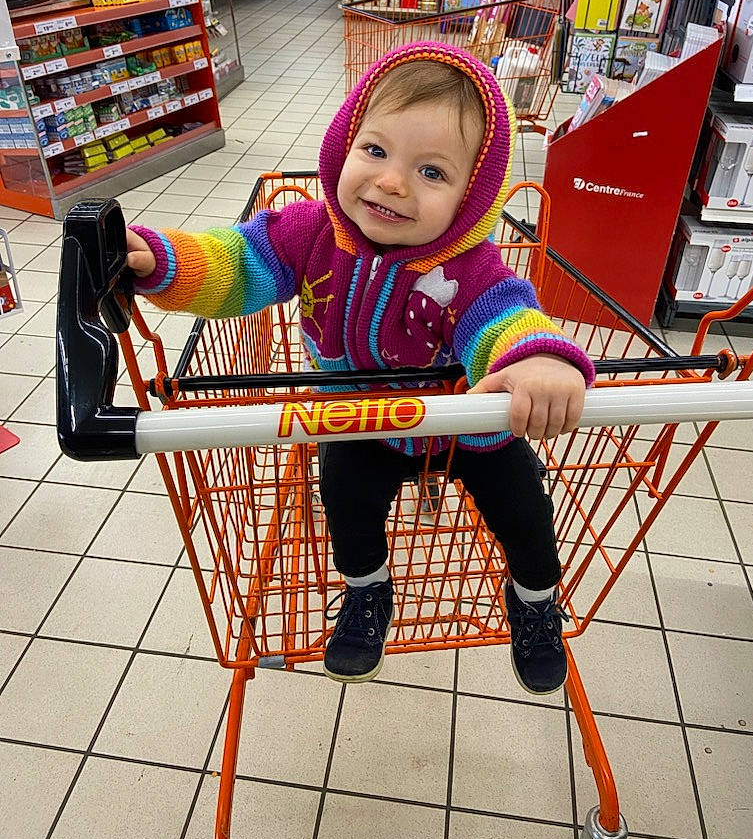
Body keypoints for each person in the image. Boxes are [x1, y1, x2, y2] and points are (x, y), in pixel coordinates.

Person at [124, 42, 594, 696]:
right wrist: (160, 258)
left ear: (471, 198)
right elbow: (236, 265)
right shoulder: (308, 233)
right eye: (375, 151)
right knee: (347, 502)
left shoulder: (470, 268)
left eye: (432, 172)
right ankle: (368, 593)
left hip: (471, 427)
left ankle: (536, 600)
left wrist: (537, 359)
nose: (393, 181)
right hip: (361, 419)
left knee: (526, 515)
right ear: (345, 144)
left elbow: (506, 317)